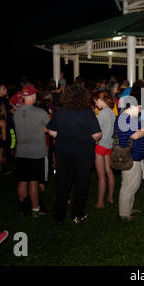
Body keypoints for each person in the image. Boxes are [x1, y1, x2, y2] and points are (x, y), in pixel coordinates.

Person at [47, 85, 102, 224]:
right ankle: (77, 215)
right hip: (83, 154)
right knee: (81, 185)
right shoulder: (88, 113)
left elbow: (51, 131)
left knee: (62, 185)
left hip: (63, 152)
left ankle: (59, 217)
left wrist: (64, 135)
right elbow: (96, 135)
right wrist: (85, 137)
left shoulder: (60, 112)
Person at [115, 86, 144, 221]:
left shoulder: (129, 117)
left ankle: (128, 209)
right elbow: (135, 136)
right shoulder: (126, 118)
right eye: (141, 107)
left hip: (136, 156)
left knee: (133, 185)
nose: (142, 109)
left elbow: (136, 133)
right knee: (129, 186)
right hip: (131, 157)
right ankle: (124, 213)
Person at [13, 85, 50, 217]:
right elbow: (50, 126)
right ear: (33, 95)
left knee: (22, 181)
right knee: (33, 181)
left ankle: (24, 207)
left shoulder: (16, 112)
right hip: (36, 152)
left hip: (21, 151)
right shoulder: (40, 112)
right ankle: (35, 208)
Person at [93, 91, 116, 209]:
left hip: (100, 146)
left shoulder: (102, 114)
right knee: (109, 172)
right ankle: (110, 197)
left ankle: (100, 202)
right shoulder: (112, 112)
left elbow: (97, 131)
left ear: (100, 100)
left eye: (96, 101)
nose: (96, 104)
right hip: (109, 145)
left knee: (101, 175)